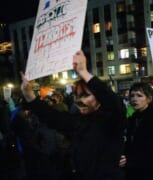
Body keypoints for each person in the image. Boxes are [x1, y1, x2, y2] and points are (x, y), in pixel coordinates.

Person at [20, 50, 126, 180]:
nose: (78, 100)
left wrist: (83, 72)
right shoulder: (78, 121)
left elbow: (113, 101)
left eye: (85, 96)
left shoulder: (112, 120)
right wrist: (29, 95)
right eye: (75, 96)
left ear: (99, 99)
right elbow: (52, 117)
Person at [120, 82, 153, 180]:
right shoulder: (133, 119)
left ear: (149, 99)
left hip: (150, 173)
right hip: (134, 171)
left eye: (139, 96)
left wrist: (130, 161)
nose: (135, 99)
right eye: (132, 96)